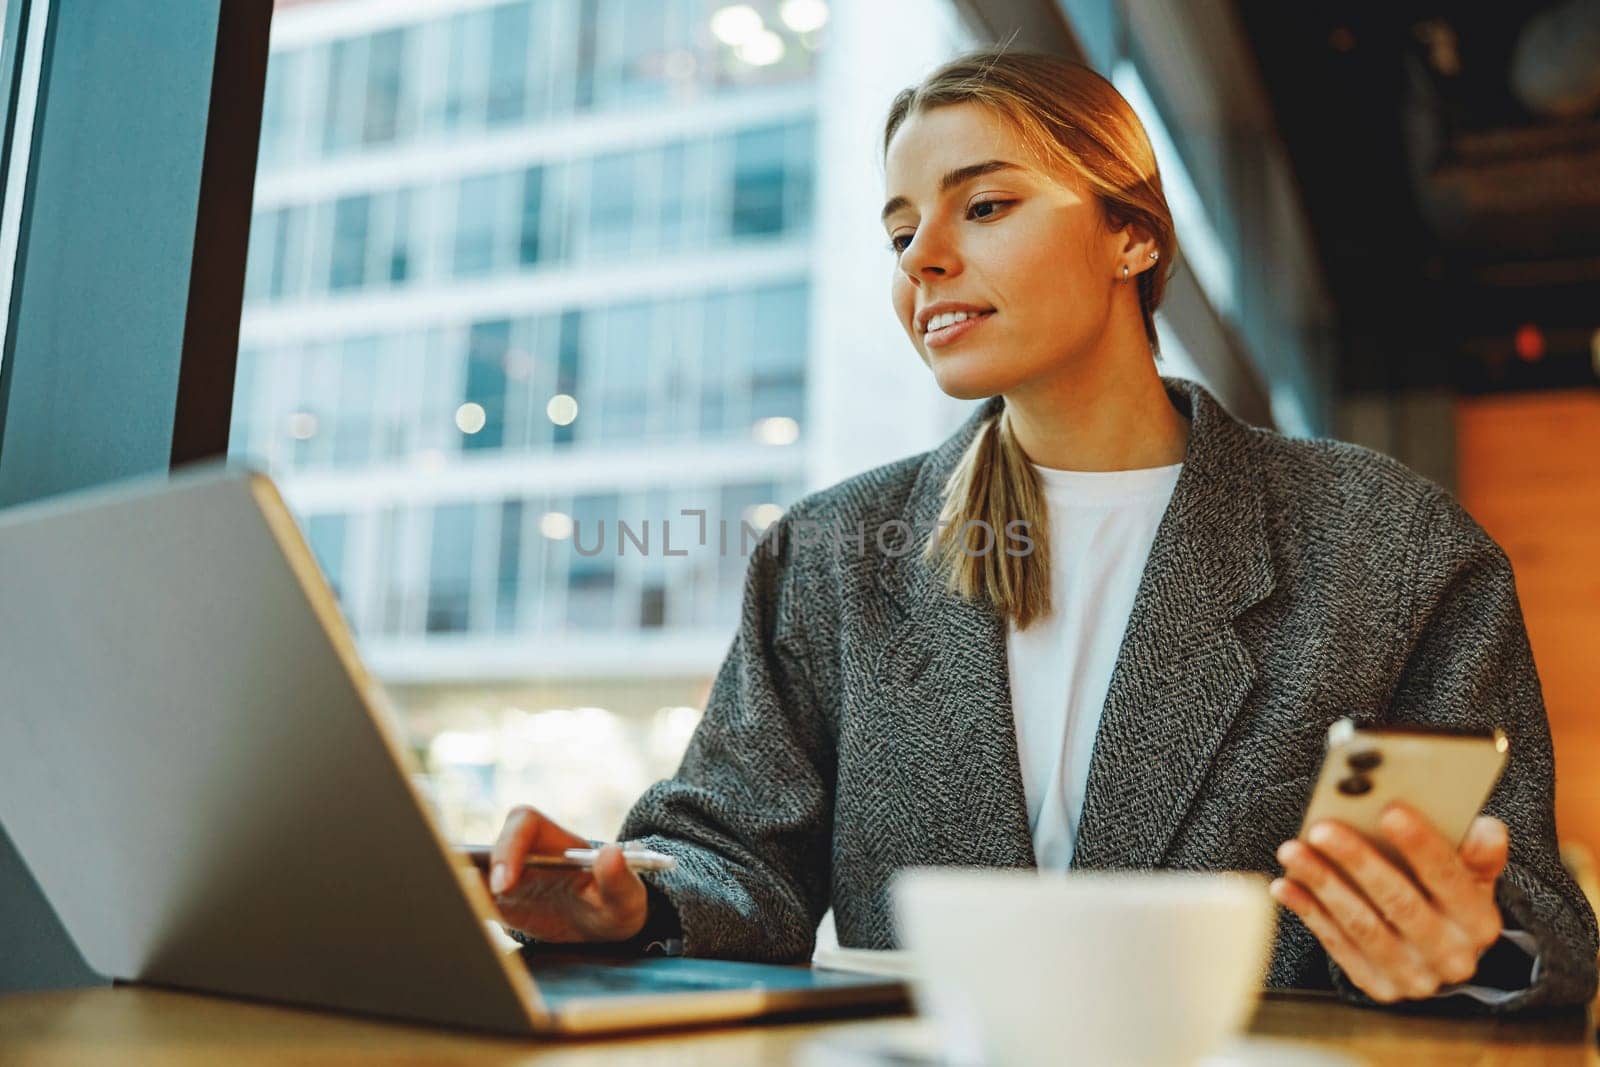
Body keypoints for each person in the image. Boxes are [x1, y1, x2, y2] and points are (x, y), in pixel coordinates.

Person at [484, 47, 1598, 1013]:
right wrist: (627, 892)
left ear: (1128, 234)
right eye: (900, 228)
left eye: (983, 205)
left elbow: (1532, 933)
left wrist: (1471, 955)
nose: (921, 257)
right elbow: (737, 853)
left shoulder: (1385, 542)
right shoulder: (830, 551)